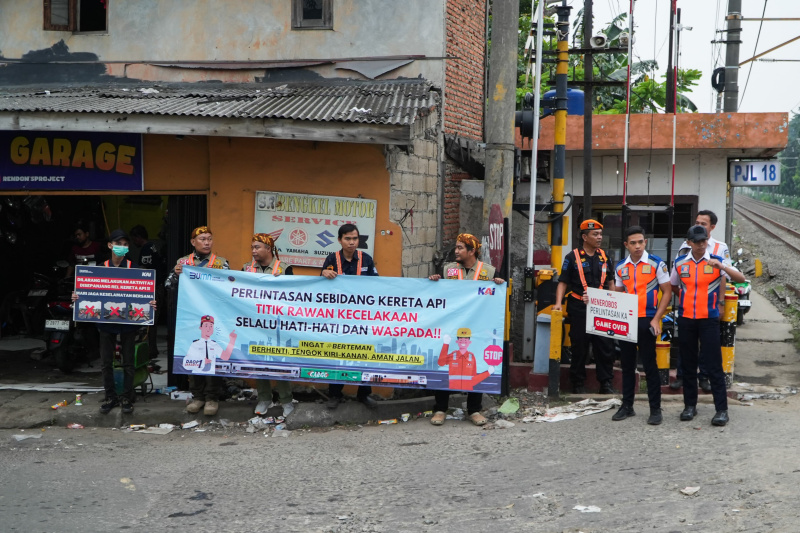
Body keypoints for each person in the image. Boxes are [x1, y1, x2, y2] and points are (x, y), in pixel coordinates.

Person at [72, 229, 157, 415]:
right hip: (105, 324)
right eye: (118, 244)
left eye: (125, 245)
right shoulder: (100, 269)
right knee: (106, 363)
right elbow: (87, 292)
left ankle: (127, 397)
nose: (122, 247)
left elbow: (144, 295)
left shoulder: (134, 269)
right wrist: (78, 297)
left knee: (128, 362)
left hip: (128, 324)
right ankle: (110, 397)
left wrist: (150, 303)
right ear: (110, 245)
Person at [671, 225, 745, 427]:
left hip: (709, 320)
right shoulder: (679, 263)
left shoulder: (717, 261)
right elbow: (674, 285)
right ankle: (689, 406)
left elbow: (741, 279)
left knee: (714, 365)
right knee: (687, 364)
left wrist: (722, 268)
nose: (701, 245)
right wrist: (688, 300)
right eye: (697, 241)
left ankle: (721, 410)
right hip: (686, 319)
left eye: (704, 241)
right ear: (689, 243)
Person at [428, 233, 504, 426]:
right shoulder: (447, 270)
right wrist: (434, 281)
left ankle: (474, 410)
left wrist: (499, 285)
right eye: (456, 247)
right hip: (451, 326)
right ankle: (440, 409)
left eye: (460, 248)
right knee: (445, 366)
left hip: (477, 329)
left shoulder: (489, 271)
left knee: (474, 365)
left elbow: (494, 300)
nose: (456, 251)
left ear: (472, 251)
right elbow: (439, 295)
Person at [166, 226, 230, 416]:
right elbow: (168, 286)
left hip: (213, 317)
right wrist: (177, 276)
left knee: (212, 357)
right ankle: (198, 397)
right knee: (194, 357)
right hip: (190, 318)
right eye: (202, 239)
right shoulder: (183, 262)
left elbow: (230, 288)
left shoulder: (221, 263)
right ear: (193, 242)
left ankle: (212, 398)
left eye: (210, 239)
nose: (207, 242)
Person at [611, 226, 672, 425]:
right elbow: (618, 295)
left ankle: (655, 409)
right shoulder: (620, 266)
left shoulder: (656, 264)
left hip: (647, 319)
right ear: (626, 245)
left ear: (645, 242)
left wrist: (656, 318)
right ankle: (627, 406)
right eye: (633, 243)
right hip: (627, 321)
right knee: (627, 365)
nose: (637, 246)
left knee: (650, 365)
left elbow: (668, 292)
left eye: (640, 242)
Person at [553, 219, 616, 394]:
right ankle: (577, 383)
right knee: (579, 346)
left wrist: (612, 303)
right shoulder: (572, 257)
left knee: (604, 347)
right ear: (584, 237)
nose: (599, 237)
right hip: (579, 307)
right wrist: (558, 304)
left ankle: (606, 383)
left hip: (602, 309)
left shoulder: (605, 256)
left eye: (600, 234)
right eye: (595, 234)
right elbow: (563, 282)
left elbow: (611, 282)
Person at [671, 209, 731, 393]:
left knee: (708, 345)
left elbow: (724, 278)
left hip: (710, 306)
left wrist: (720, 303)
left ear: (712, 227)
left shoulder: (720, 248)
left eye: (703, 224)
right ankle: (682, 376)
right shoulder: (685, 245)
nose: (699, 226)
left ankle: (704, 377)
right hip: (688, 308)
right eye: (697, 222)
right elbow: (677, 276)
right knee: (686, 344)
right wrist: (686, 296)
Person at [320, 223, 378, 409]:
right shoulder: (331, 258)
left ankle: (364, 394)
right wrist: (323, 273)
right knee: (338, 354)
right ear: (340, 240)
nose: (352, 242)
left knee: (364, 355)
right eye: (347, 239)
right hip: (338, 318)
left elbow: (379, 287)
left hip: (362, 318)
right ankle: (335, 395)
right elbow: (319, 287)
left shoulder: (366, 260)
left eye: (355, 238)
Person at [244, 233, 296, 417]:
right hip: (254, 322)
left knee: (280, 361)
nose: (253, 251)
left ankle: (286, 400)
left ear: (268, 249)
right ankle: (264, 398)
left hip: (278, 324)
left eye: (257, 247)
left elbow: (293, 296)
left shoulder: (284, 268)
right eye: (252, 247)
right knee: (259, 361)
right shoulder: (247, 269)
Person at [129, 225, 166, 360]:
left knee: (149, 320)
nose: (133, 242)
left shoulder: (146, 250)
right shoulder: (153, 246)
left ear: (138, 238)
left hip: (153, 288)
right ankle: (152, 349)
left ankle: (150, 350)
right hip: (159, 286)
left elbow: (144, 270)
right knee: (152, 321)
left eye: (134, 239)